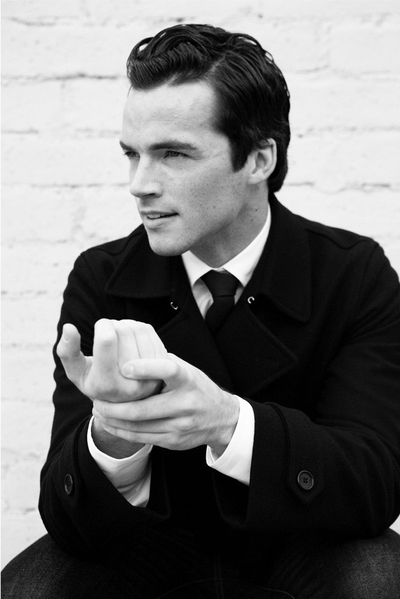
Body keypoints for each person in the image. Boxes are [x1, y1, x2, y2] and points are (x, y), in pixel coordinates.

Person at [2, 23, 400, 599]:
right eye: (132, 154)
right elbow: (68, 520)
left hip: (299, 541)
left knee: (380, 576)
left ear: (258, 158)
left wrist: (228, 423)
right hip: (147, 545)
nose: (139, 184)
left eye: (173, 154)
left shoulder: (351, 274)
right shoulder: (102, 276)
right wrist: (113, 433)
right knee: (30, 587)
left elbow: (375, 482)